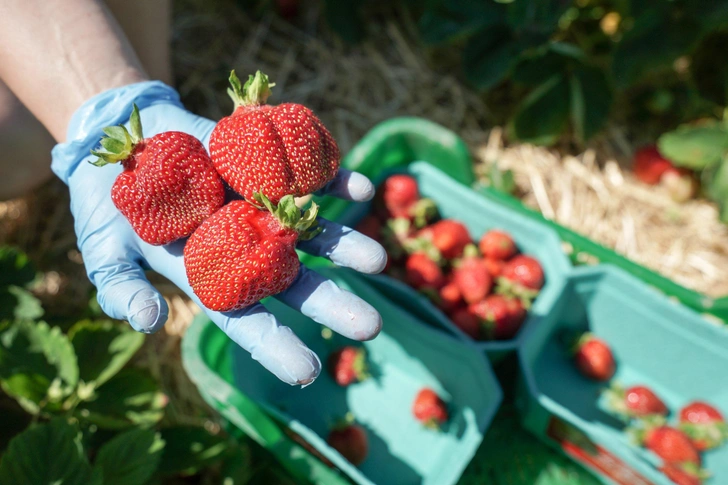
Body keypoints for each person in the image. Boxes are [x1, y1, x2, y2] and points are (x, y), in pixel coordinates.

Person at [0, 0, 387, 386]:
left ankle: (131, 75)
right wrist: (94, 115)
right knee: (21, 160)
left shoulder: (198, 152)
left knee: (39, 136)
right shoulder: (168, 161)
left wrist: (118, 92)